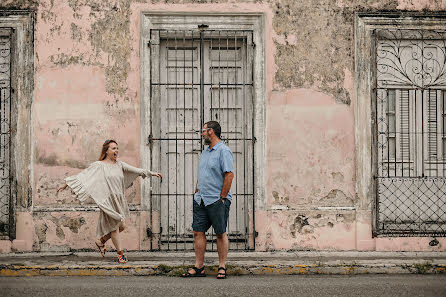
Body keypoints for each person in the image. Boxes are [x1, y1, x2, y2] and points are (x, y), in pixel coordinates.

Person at [57, 139, 162, 263]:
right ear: (106, 151)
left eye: (117, 148)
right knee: (114, 228)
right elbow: (84, 176)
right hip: (108, 201)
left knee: (121, 226)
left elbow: (136, 170)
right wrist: (66, 184)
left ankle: (100, 241)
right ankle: (120, 254)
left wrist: (152, 173)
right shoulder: (99, 165)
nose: (116, 150)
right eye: (113, 148)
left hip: (118, 200)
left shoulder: (120, 164)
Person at [182, 121, 234, 279]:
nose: (202, 134)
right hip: (201, 199)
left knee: (220, 233)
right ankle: (199, 267)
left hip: (216, 200)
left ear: (211, 131)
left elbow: (229, 174)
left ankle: (222, 266)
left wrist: (223, 197)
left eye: (204, 131)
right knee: (198, 232)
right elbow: (203, 173)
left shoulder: (224, 151)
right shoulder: (205, 151)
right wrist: (197, 189)